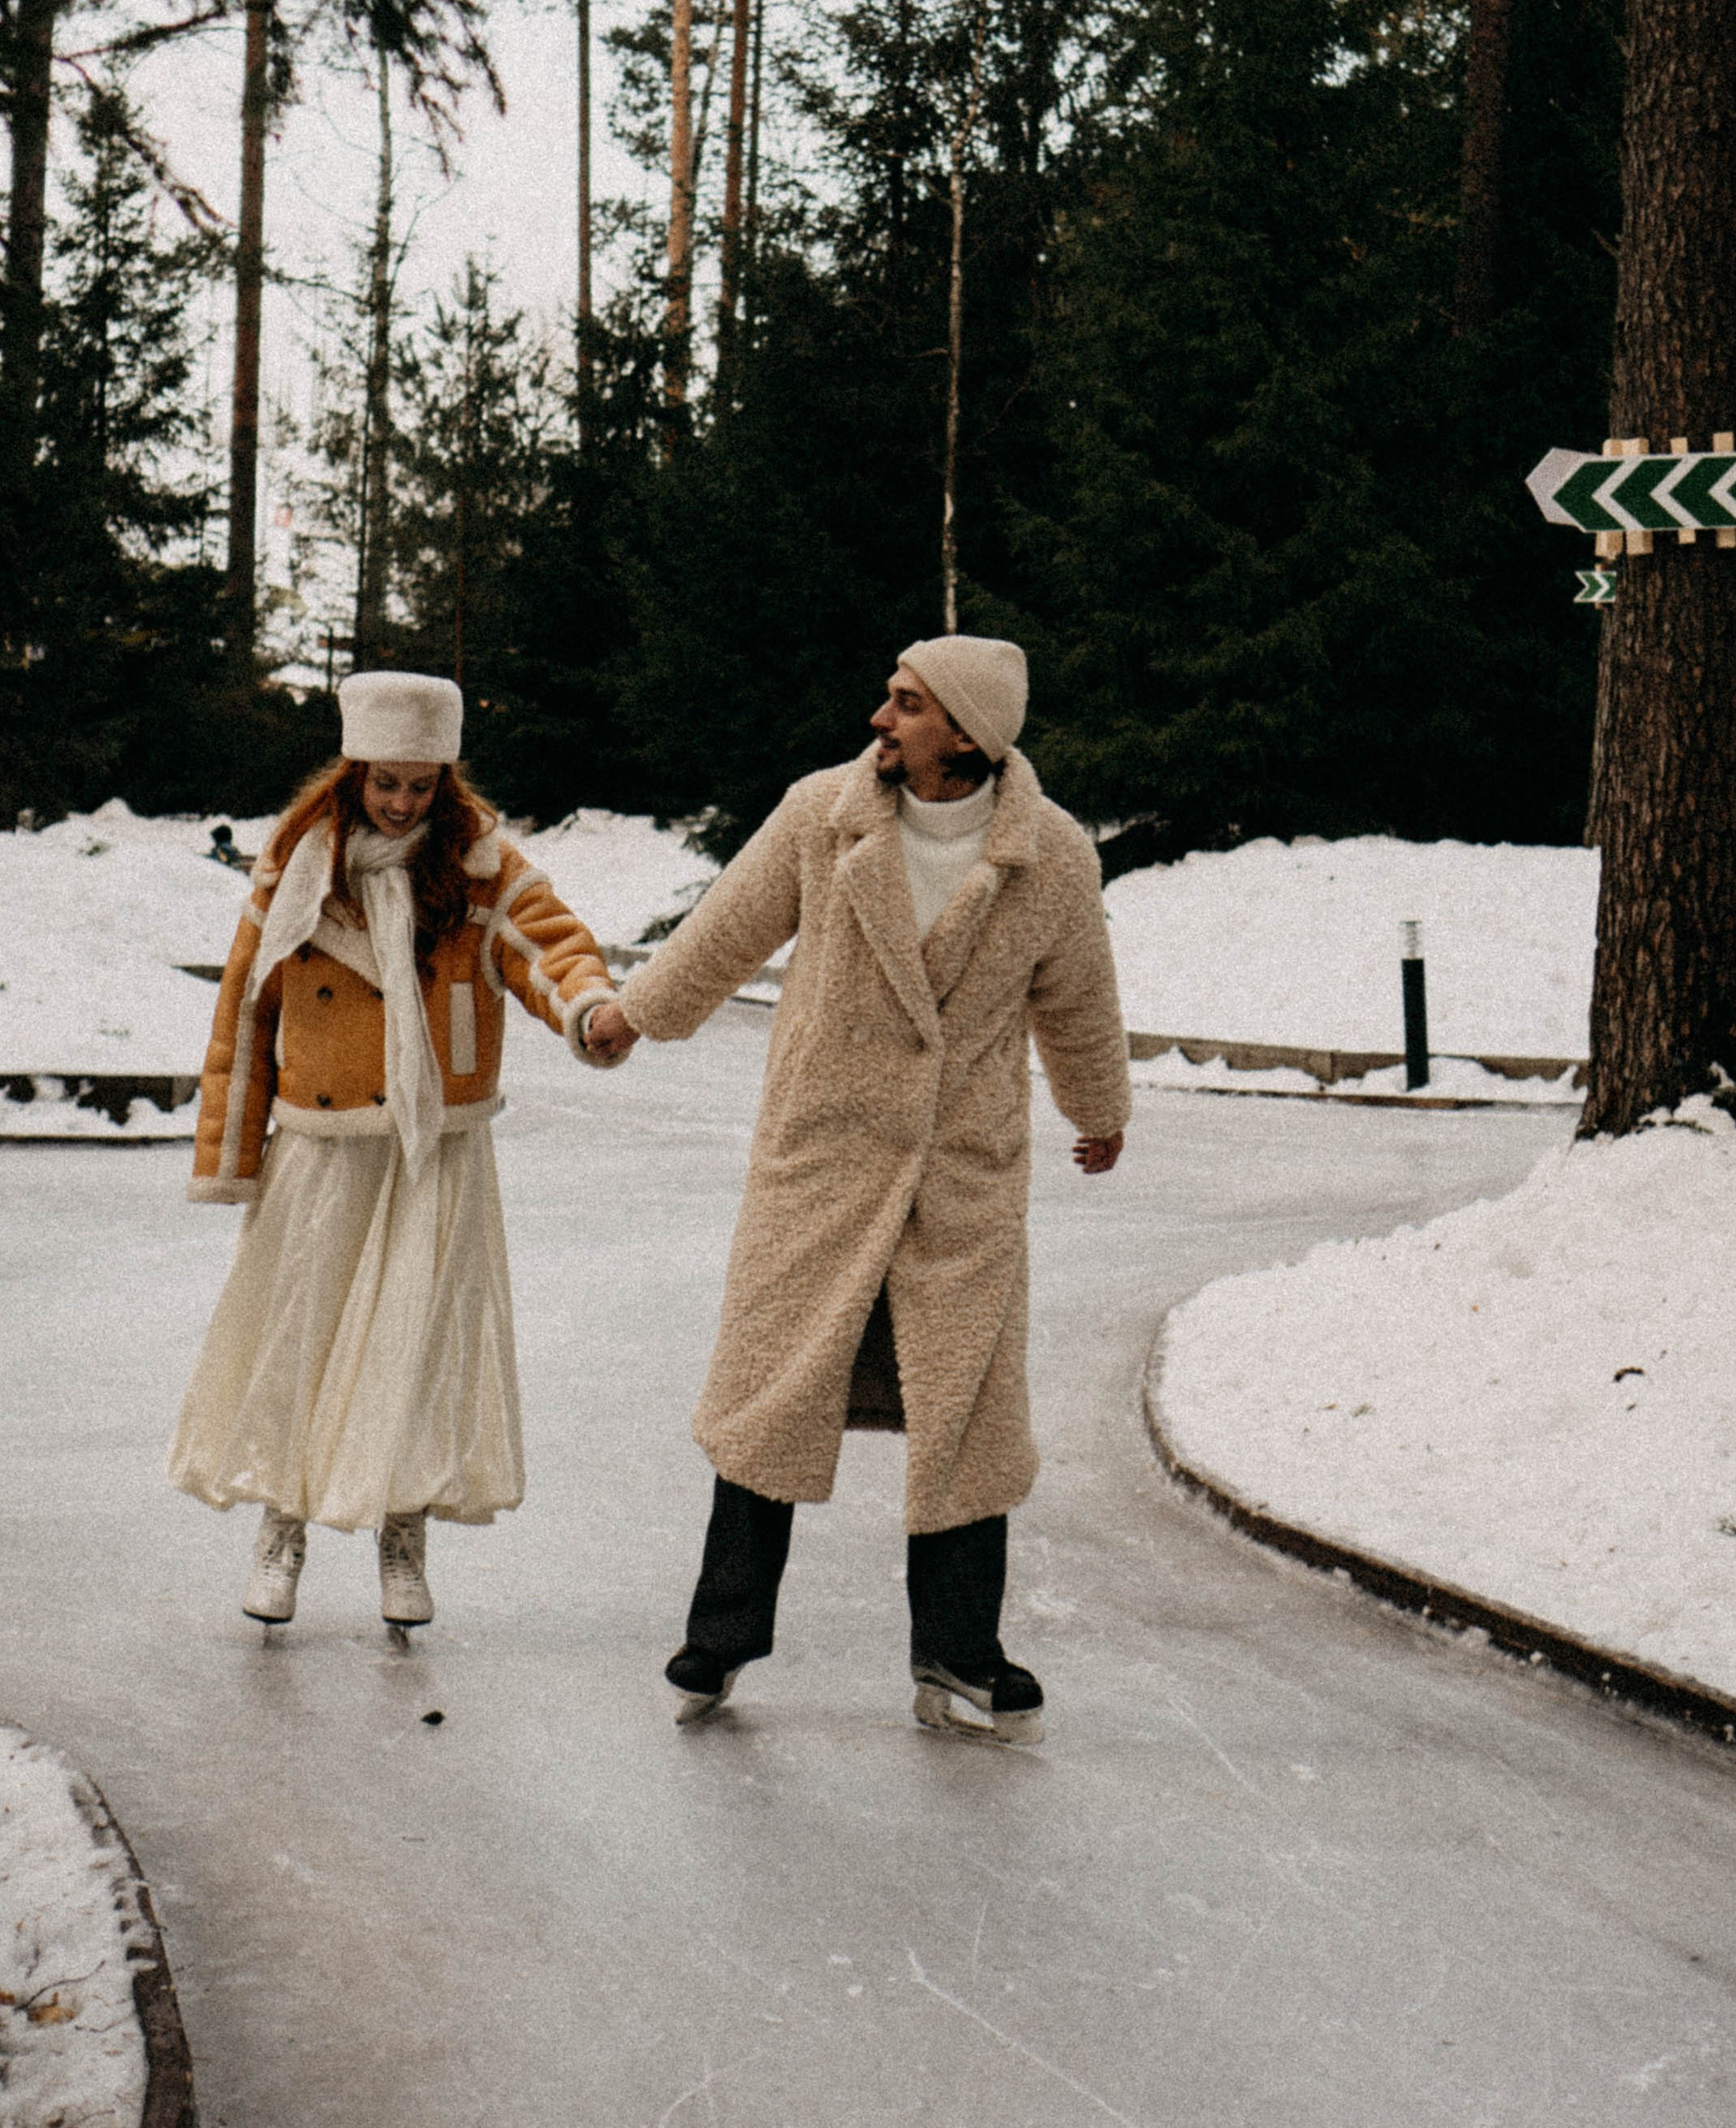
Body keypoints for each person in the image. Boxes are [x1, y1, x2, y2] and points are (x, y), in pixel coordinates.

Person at [586, 635, 1130, 1741]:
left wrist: (1099, 1111)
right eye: (889, 696)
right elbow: (723, 933)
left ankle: (962, 1652)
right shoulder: (822, 815)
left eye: (908, 704)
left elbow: (1079, 999)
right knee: (771, 1393)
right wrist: (632, 1016)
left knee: (967, 1413)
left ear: (968, 734)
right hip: (824, 1161)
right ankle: (721, 1636)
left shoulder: (1053, 858)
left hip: (958, 1175)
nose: (881, 718)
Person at [169, 672, 624, 1629]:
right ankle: (280, 1532)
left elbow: (547, 946)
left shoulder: (480, 863)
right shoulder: (297, 863)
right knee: (303, 1336)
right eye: (386, 782)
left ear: (445, 782)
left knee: (416, 1346)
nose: (403, 802)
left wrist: (585, 1008)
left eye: (422, 786)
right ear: (353, 772)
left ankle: (402, 1537)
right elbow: (246, 1007)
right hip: (324, 1144)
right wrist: (229, 1152)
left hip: (433, 1147)